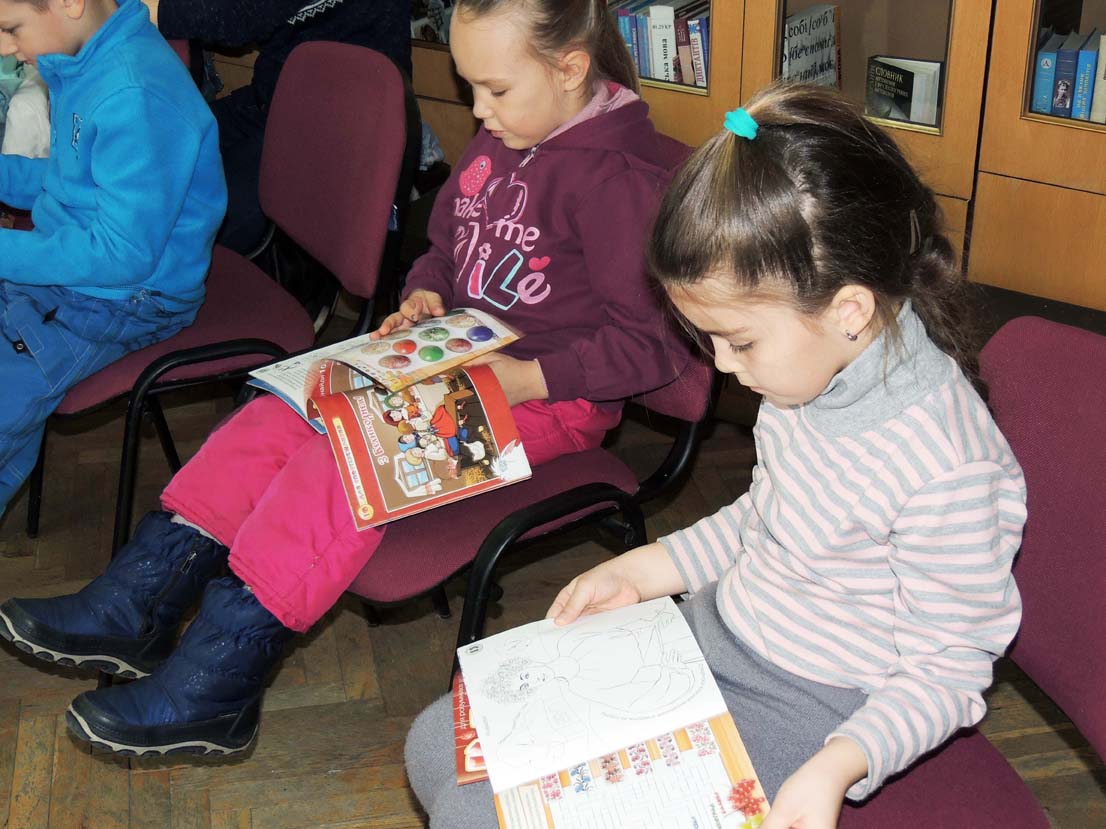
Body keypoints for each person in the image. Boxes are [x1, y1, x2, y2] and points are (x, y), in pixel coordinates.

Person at [0, 0, 691, 757]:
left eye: (494, 90)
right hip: (449, 357)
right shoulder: (509, 133)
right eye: (470, 89)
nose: (478, 112)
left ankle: (216, 683)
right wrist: (425, 292)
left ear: (569, 70)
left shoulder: (622, 180)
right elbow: (445, 245)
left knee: (344, 461)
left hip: (547, 400)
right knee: (273, 416)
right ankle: (138, 601)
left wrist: (530, 379)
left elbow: (652, 349)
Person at [403, 83, 1029, 828]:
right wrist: (647, 569)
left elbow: (949, 668)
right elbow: (769, 518)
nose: (724, 366)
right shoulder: (809, 370)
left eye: (740, 340)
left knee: (478, 814)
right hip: (712, 633)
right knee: (437, 746)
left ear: (850, 310)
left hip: (816, 708)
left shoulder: (947, 465)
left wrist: (841, 762)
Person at [0, 0, 225, 519]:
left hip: (127, 297)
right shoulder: (85, 62)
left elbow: (121, 255)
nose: (6, 49)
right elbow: (67, 180)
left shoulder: (135, 93)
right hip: (84, 272)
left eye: (11, 29)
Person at [142, 0, 412, 256]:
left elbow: (235, 17)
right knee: (157, 146)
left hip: (336, 134)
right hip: (272, 102)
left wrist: (128, 8)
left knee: (183, 221)